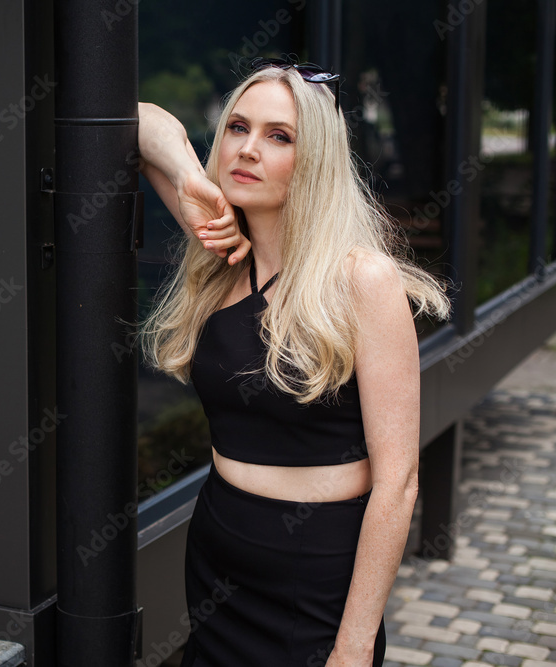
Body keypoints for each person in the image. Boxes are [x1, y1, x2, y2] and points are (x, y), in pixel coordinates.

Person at [136, 59, 451, 667]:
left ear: (316, 160)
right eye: (237, 128)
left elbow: (399, 482)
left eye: (279, 137)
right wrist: (187, 175)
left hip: (314, 573)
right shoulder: (223, 248)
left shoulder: (361, 279)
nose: (248, 149)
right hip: (217, 551)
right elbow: (138, 121)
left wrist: (355, 645)